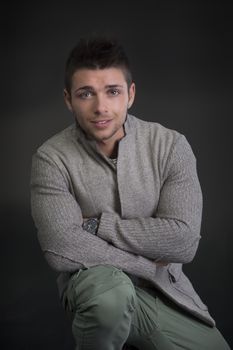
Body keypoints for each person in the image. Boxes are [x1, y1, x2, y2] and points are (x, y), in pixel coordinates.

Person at [30, 36, 230, 350]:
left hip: (165, 291)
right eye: (86, 94)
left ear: (130, 94)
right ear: (69, 99)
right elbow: (59, 245)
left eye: (112, 91)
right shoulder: (51, 158)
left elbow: (184, 241)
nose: (101, 107)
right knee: (111, 296)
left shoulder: (171, 146)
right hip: (96, 287)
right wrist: (148, 265)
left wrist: (96, 225)